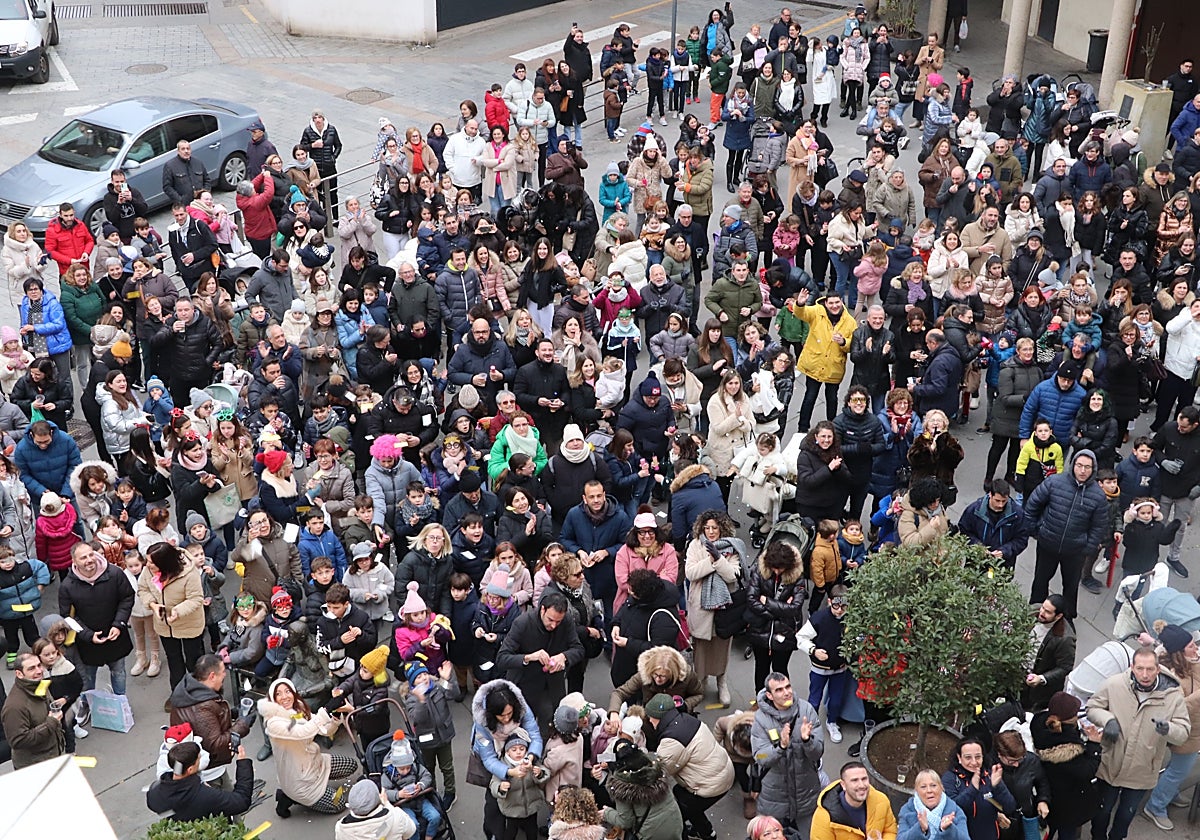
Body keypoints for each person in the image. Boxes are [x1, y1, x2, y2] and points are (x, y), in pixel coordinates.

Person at [1086, 646, 1190, 840]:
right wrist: (1107, 719)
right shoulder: (1114, 684)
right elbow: (1092, 707)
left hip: (1142, 769)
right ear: (1132, 667)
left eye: (1150, 669)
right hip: (1111, 764)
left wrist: (1168, 729)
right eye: (1140, 668)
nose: (1145, 674)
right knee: (1101, 811)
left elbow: (1183, 732)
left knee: (1126, 814)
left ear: (1158, 669)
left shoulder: (1173, 696)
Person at [1023, 450, 1109, 620]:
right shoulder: (1055, 482)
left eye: (1087, 467)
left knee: (1070, 587)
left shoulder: (1098, 496)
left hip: (1075, 551)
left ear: (1093, 469)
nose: (1083, 470)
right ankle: (1035, 613)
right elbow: (1033, 504)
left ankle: (1066, 619)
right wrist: (1036, 530)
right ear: (1073, 465)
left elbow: (1099, 527)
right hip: (1048, 544)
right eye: (1079, 466)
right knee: (1040, 580)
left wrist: (1087, 548)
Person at [261, 676, 358, 817]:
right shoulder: (274, 723)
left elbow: (325, 730)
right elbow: (302, 732)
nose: (284, 697)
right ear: (273, 700)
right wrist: (327, 709)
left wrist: (336, 716)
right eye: (278, 694)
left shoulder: (298, 708)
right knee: (340, 802)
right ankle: (289, 797)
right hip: (299, 781)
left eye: (287, 691)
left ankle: (320, 788)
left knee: (351, 765)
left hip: (314, 763)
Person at [643, 692, 734, 840]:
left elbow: (659, 770)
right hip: (722, 773)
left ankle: (685, 834)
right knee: (682, 795)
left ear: (658, 717)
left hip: (711, 785)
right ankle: (706, 832)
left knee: (675, 817)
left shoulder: (672, 740)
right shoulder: (688, 720)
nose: (649, 720)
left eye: (650, 717)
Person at [58, 541, 134, 697]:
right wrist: (88, 635)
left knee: (118, 672)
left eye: (91, 554)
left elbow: (127, 598)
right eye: (83, 557)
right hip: (88, 643)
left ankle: (121, 703)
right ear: (74, 561)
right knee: (88, 677)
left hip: (115, 636)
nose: (89, 560)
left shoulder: (115, 574)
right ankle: (89, 705)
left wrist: (119, 624)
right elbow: (67, 616)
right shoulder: (67, 586)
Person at [751, 671, 824, 832]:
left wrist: (807, 741)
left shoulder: (806, 710)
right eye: (779, 690)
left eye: (788, 686)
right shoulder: (760, 719)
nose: (786, 692)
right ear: (769, 696)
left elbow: (817, 752)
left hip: (805, 791)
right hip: (775, 796)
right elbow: (760, 756)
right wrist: (780, 747)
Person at [146, 739, 256, 823]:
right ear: (190, 769)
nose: (201, 760)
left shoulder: (154, 792)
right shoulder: (205, 795)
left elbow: (154, 805)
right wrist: (243, 764)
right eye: (199, 759)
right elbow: (241, 801)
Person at [1, 652, 65, 769]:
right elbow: (18, 741)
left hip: (52, 757)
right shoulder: (14, 706)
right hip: (34, 767)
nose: (39, 671)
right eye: (31, 668)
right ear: (19, 674)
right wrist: (51, 723)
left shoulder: (38, 684)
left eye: (39, 665)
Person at [810, 760, 900, 840]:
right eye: (854, 780)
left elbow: (890, 831)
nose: (861, 785)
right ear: (843, 785)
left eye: (864, 779)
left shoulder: (881, 800)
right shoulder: (824, 818)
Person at [956, 480, 1028, 570]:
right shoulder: (974, 510)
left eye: (1004, 501)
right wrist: (978, 547)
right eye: (997, 500)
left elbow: (1021, 539)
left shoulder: (1017, 514)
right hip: (977, 563)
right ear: (990, 495)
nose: (1000, 505)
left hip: (1003, 565)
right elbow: (964, 533)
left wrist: (1004, 551)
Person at [1023, 595, 1076, 711]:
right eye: (1043, 607)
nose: (1041, 612)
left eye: (1048, 612)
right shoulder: (1033, 611)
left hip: (1037, 691)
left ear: (1058, 616)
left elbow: (1065, 667)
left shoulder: (1065, 638)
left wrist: (1041, 678)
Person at [898, 770, 970, 840]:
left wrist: (948, 830)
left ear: (941, 788)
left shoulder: (955, 811)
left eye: (933, 785)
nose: (929, 790)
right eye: (923, 787)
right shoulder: (907, 810)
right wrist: (920, 829)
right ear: (916, 791)